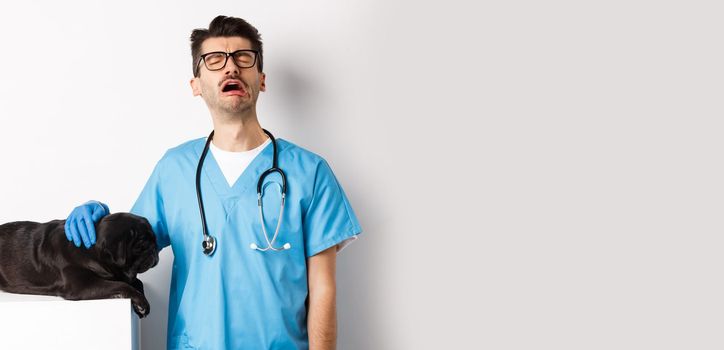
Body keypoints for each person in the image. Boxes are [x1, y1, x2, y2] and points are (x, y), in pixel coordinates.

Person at [64, 15, 362, 350]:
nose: (231, 68)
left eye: (243, 58)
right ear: (196, 84)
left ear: (261, 79)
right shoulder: (173, 170)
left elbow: (324, 289)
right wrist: (97, 225)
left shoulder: (310, 173)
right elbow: (122, 253)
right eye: (215, 60)